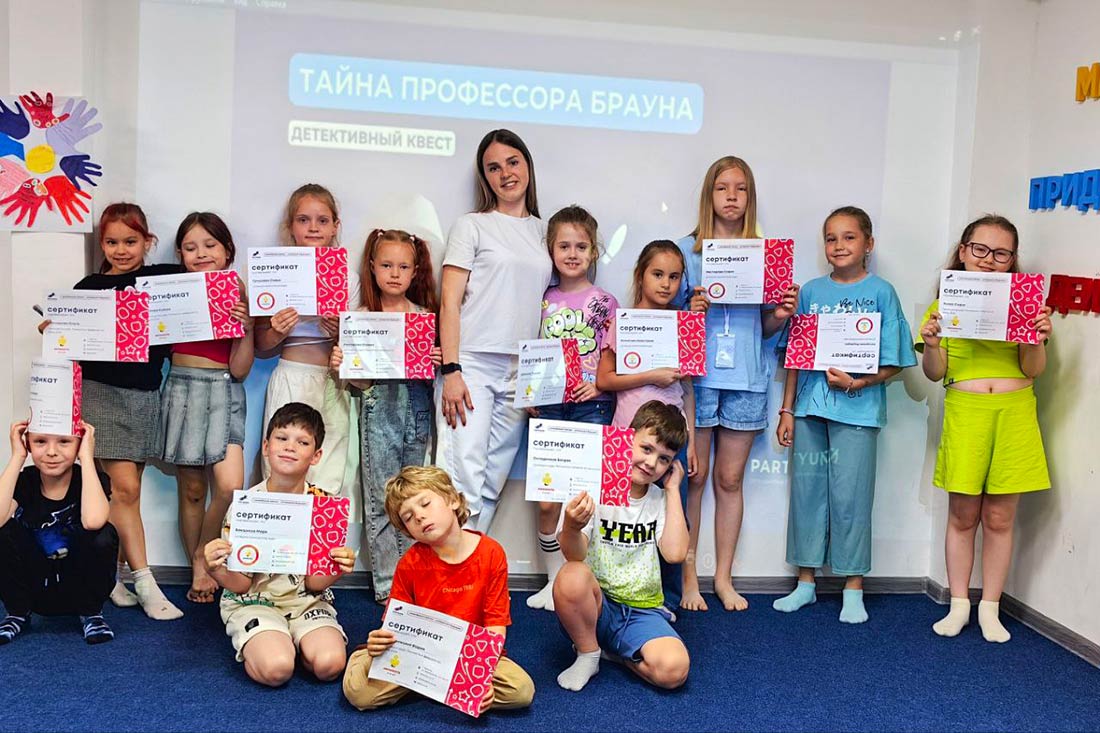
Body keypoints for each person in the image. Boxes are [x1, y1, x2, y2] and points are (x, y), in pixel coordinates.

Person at [38, 203, 182, 620]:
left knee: (124, 491)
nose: (121, 250)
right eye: (112, 242)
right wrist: (54, 331)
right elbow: (65, 339)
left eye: (131, 241)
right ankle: (145, 581)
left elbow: (203, 291)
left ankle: (112, 576)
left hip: (145, 396)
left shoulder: (164, 279)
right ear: (101, 244)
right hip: (99, 394)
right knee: (125, 490)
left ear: (148, 241)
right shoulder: (89, 286)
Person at [774, 206, 917, 623]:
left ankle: (853, 587)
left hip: (859, 411)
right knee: (807, 494)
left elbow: (896, 359)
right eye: (831, 238)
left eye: (849, 237)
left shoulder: (882, 292)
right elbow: (795, 358)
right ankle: (805, 583)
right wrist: (787, 409)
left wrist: (857, 383)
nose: (839, 245)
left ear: (868, 244)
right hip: (809, 410)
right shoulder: (810, 292)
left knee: (851, 498)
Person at [918, 214, 1053, 643]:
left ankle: (990, 608)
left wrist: (1035, 338)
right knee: (963, 515)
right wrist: (933, 344)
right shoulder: (944, 304)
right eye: (980, 249)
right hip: (966, 412)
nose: (989, 260)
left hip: (1015, 413)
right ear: (963, 251)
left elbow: (1034, 369)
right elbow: (934, 372)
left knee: (999, 517)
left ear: (1013, 259)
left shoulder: (1025, 304)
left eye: (1001, 253)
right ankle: (959, 604)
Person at [673, 156, 799, 612]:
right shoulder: (686, 252)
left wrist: (780, 314)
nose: (731, 196)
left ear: (750, 197)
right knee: (694, 478)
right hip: (700, 379)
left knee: (729, 480)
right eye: (722, 187)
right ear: (709, 195)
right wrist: (689, 311)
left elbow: (767, 329)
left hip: (747, 376)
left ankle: (723, 579)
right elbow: (668, 320)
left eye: (740, 188)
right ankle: (688, 578)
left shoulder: (766, 255)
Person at [343, 465, 534, 713]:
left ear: (453, 500)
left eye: (425, 504)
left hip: (468, 655)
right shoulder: (409, 563)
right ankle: (433, 683)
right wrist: (378, 643)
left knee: (521, 690)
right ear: (407, 531)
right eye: (408, 517)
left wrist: (480, 675)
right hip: (419, 654)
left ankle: (431, 685)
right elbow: (396, 626)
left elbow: (495, 626)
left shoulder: (491, 553)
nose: (419, 517)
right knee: (359, 693)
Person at [436, 129, 553, 532]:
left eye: (512, 162)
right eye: (493, 167)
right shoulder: (471, 226)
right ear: (484, 177)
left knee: (493, 479)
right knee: (461, 474)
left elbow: (551, 307)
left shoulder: (545, 232)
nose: (505, 173)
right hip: (472, 364)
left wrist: (541, 383)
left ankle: (471, 559)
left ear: (527, 166)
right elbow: (449, 302)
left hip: (521, 371)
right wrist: (451, 370)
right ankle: (450, 565)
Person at [203, 402, 355, 687]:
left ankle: (295, 641)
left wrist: (339, 568)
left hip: (306, 602)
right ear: (266, 446)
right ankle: (276, 643)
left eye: (303, 442)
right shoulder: (246, 506)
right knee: (277, 669)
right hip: (254, 602)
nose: (289, 447)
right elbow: (241, 585)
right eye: (282, 438)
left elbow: (315, 584)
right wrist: (214, 569)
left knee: (330, 665)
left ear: (316, 455)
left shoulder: (325, 507)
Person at [329, 228, 441, 602]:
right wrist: (344, 364)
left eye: (403, 267)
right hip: (379, 404)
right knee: (382, 495)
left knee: (416, 493)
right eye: (387, 265)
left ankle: (414, 578)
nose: (395, 273)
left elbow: (430, 374)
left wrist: (436, 360)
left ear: (415, 272)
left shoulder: (424, 317)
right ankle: (387, 584)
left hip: (417, 404)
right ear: (373, 268)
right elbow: (361, 383)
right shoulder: (361, 317)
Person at [552, 400, 690, 692]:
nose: (651, 463)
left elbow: (675, 553)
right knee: (571, 575)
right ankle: (588, 653)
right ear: (627, 438)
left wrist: (673, 490)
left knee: (674, 671)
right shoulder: (590, 486)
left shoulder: (660, 499)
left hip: (642, 611)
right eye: (646, 449)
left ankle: (614, 654)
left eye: (664, 459)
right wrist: (573, 526)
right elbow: (574, 555)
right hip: (596, 605)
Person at [526, 205, 618, 612]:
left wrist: (597, 384)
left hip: (591, 407)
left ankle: (579, 579)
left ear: (594, 251)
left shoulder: (605, 302)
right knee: (547, 501)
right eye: (563, 246)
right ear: (550, 250)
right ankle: (553, 579)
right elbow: (529, 349)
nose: (572, 254)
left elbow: (613, 357)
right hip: (549, 407)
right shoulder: (541, 299)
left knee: (582, 500)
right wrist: (530, 392)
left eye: (581, 246)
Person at [596, 239, 697, 612]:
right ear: (641, 275)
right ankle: (609, 595)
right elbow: (604, 379)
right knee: (616, 516)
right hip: (626, 435)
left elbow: (688, 390)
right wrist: (651, 375)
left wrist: (692, 442)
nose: (666, 284)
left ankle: (665, 600)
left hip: (670, 440)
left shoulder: (682, 325)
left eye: (674, 276)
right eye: (658, 274)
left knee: (671, 515)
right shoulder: (621, 321)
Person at [159, 212, 254, 603]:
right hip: (182, 386)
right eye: (190, 247)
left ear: (227, 250)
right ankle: (197, 568)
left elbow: (241, 369)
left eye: (210, 245)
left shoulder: (237, 288)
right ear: (180, 254)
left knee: (230, 486)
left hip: (225, 387)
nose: (201, 254)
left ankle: (204, 551)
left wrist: (246, 327)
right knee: (193, 488)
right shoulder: (170, 289)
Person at [255, 183, 358, 498]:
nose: (313, 228)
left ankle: (322, 530)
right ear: (291, 227)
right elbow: (261, 345)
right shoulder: (273, 272)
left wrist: (339, 332)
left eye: (322, 220)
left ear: (335, 226)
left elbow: (357, 347)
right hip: (291, 376)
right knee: (281, 469)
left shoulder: (348, 277)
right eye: (303, 220)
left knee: (329, 471)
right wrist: (277, 330)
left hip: (332, 384)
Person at [0, 421, 116, 644]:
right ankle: (17, 613)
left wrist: (87, 457)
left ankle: (92, 614)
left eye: (64, 442)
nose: (52, 452)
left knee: (104, 533)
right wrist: (17, 457)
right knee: (4, 529)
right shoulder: (26, 481)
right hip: (35, 589)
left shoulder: (91, 480)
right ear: (28, 444)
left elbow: (93, 521)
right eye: (40, 442)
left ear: (79, 444)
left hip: (76, 589)